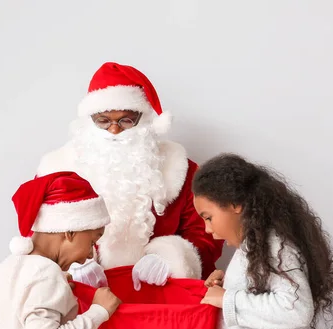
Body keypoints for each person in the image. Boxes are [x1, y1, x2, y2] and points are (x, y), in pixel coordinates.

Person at [36, 62, 224, 289]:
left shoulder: (181, 169)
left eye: (126, 120)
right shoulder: (57, 168)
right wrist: (69, 262)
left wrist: (170, 259)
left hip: (159, 299)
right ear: (90, 120)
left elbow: (207, 231)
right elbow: (39, 235)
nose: (114, 130)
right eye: (103, 120)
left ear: (143, 119)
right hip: (81, 300)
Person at [193, 154, 333, 329]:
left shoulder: (273, 246)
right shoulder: (254, 246)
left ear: (234, 204)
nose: (208, 229)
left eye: (208, 217)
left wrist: (228, 299)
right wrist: (226, 285)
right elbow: (259, 289)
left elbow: (296, 308)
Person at [0, 171, 121, 329]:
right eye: (92, 241)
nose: (90, 254)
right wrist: (99, 312)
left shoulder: (5, 270)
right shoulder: (46, 274)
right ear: (70, 231)